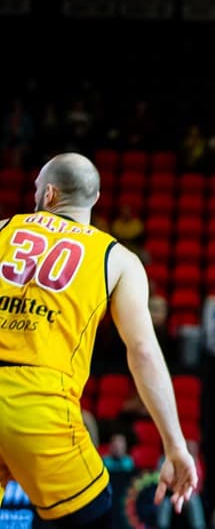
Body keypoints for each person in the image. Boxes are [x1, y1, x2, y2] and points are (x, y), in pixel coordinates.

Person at [0, 152, 198, 527]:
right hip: (37, 400)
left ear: (49, 195)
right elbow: (142, 351)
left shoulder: (3, 229)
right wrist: (174, 444)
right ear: (93, 198)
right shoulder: (117, 258)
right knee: (95, 511)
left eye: (37, 189)